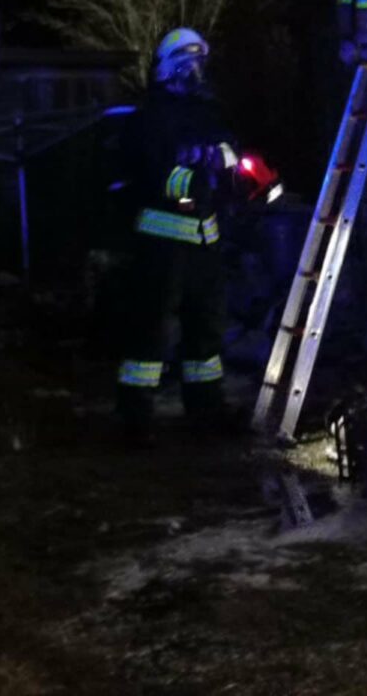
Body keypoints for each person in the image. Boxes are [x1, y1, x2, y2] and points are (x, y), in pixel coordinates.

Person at [114, 26, 240, 443]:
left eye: (199, 60)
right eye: (186, 61)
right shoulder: (150, 116)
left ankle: (206, 410)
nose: (194, 69)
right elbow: (155, 173)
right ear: (168, 67)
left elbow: (228, 155)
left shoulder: (207, 111)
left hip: (205, 239)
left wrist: (235, 176)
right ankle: (135, 420)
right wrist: (198, 180)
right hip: (162, 241)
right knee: (150, 330)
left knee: (206, 329)